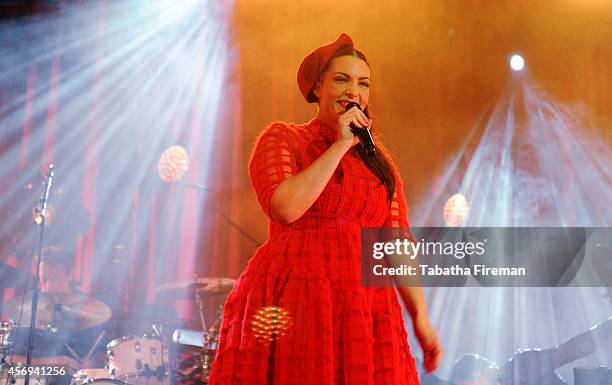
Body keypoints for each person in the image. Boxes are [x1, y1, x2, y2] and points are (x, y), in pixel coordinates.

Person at [207, 33, 442, 385]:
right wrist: (340, 146)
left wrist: (421, 318)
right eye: (341, 79)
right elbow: (286, 208)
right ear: (318, 87)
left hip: (364, 305)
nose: (354, 92)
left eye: (363, 84)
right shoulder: (284, 138)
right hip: (296, 293)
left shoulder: (381, 166)